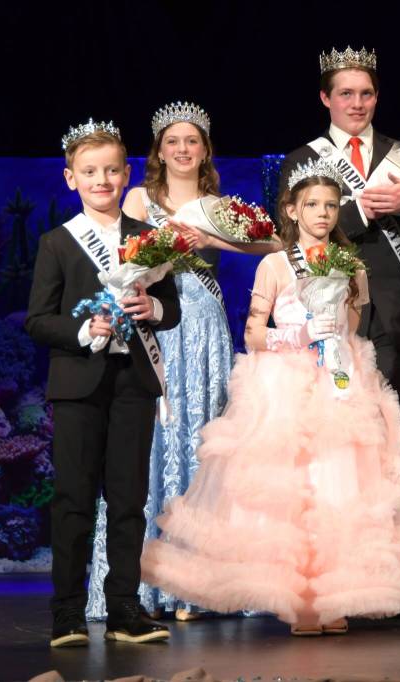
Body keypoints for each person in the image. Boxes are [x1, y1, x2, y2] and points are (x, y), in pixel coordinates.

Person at [141, 158, 400, 636]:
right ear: (292, 210)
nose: (322, 213)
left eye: (330, 205)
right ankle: (300, 601)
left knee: (337, 486)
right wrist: (298, 337)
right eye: (312, 205)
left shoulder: (351, 265)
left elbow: (355, 324)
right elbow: (254, 333)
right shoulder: (274, 264)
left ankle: (335, 596)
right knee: (293, 492)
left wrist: (334, 340)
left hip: (340, 382)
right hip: (284, 384)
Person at [86, 102, 282, 622]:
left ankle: (198, 584)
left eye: (192, 141)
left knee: (204, 439)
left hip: (206, 325)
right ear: (159, 149)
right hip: (156, 322)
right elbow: (125, 259)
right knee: (150, 442)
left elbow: (277, 242)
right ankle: (143, 583)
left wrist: (212, 238)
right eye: (173, 141)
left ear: (204, 149)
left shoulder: (218, 204)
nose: (182, 149)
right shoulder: (138, 198)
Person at [25, 119, 179, 646]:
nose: (102, 180)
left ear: (126, 174)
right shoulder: (58, 243)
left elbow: (172, 310)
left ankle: (124, 610)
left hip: (133, 382)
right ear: (71, 178)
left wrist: (152, 304)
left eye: (112, 170)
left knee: (128, 499)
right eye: (90, 172)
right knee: (72, 499)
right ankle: (67, 612)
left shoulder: (149, 241)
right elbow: (37, 319)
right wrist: (81, 328)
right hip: (77, 386)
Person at [279, 46, 400, 455]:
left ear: (377, 97)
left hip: (398, 316)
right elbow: (286, 235)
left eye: (366, 93)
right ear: (326, 99)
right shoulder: (303, 158)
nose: (357, 103)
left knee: (398, 439)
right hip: (330, 316)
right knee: (335, 442)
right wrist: (359, 211)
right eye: (346, 94)